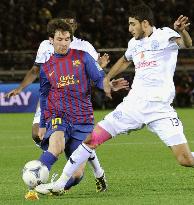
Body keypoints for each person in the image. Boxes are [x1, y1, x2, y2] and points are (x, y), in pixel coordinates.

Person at [35, 3, 194, 194]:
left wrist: (181, 31)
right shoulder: (134, 43)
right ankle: (60, 183)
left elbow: (186, 44)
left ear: (145, 23)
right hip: (132, 107)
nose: (129, 29)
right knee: (91, 140)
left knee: (185, 160)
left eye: (132, 24)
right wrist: (107, 78)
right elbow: (125, 59)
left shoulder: (164, 35)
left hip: (160, 110)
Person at [5, 11, 128, 193]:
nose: (63, 43)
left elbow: (98, 77)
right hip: (58, 114)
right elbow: (45, 95)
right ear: (51, 40)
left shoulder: (83, 56)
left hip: (82, 117)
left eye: (66, 39)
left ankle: (54, 187)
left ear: (71, 39)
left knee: (77, 175)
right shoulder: (46, 67)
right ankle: (34, 183)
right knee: (56, 147)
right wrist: (42, 124)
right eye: (60, 39)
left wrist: (109, 85)